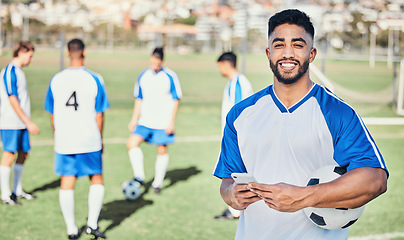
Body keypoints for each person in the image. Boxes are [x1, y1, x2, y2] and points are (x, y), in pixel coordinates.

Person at [213, 9, 388, 240]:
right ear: (268, 53)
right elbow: (227, 183)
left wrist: (305, 197)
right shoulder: (240, 114)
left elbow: (375, 180)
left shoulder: (337, 113)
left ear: (311, 53)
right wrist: (232, 195)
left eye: (297, 44)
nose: (287, 53)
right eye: (278, 45)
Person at [44, 39, 109, 239]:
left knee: (67, 181)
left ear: (67, 52)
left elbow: (52, 114)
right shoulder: (95, 78)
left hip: (65, 139)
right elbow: (100, 114)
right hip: (89, 138)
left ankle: (72, 229)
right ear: (84, 53)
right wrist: (100, 139)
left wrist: (58, 133)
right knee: (96, 179)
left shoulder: (56, 79)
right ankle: (92, 224)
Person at [127, 47, 182, 194]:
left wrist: (171, 122)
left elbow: (176, 99)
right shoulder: (143, 75)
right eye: (152, 61)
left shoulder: (170, 76)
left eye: (157, 61)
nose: (154, 64)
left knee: (162, 150)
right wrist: (134, 119)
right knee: (131, 143)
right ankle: (139, 176)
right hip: (145, 121)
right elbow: (139, 98)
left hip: (162, 122)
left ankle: (157, 184)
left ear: (162, 61)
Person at [214, 52, 253, 220]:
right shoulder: (236, 81)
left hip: (237, 137)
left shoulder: (238, 82)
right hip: (236, 136)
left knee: (234, 173)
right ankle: (236, 210)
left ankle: (237, 210)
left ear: (225, 64)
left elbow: (238, 111)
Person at [0, 41, 39, 205]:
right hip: (11, 122)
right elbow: (12, 98)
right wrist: (27, 121)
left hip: (21, 123)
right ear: (21, 52)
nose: (31, 59)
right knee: (9, 155)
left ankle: (17, 190)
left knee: (24, 154)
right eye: (30, 56)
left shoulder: (19, 71)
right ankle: (5, 194)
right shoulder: (9, 71)